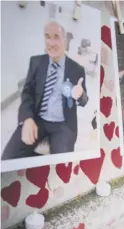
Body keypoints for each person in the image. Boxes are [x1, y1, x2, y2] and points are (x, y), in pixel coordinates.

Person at [2, 21, 88, 160]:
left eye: (56, 37)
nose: (51, 42)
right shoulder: (36, 62)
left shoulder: (76, 69)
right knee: (8, 157)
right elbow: (27, 93)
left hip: (63, 125)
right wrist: (27, 119)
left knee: (62, 165)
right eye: (47, 36)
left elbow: (84, 100)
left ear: (64, 40)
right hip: (37, 119)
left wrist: (80, 95)